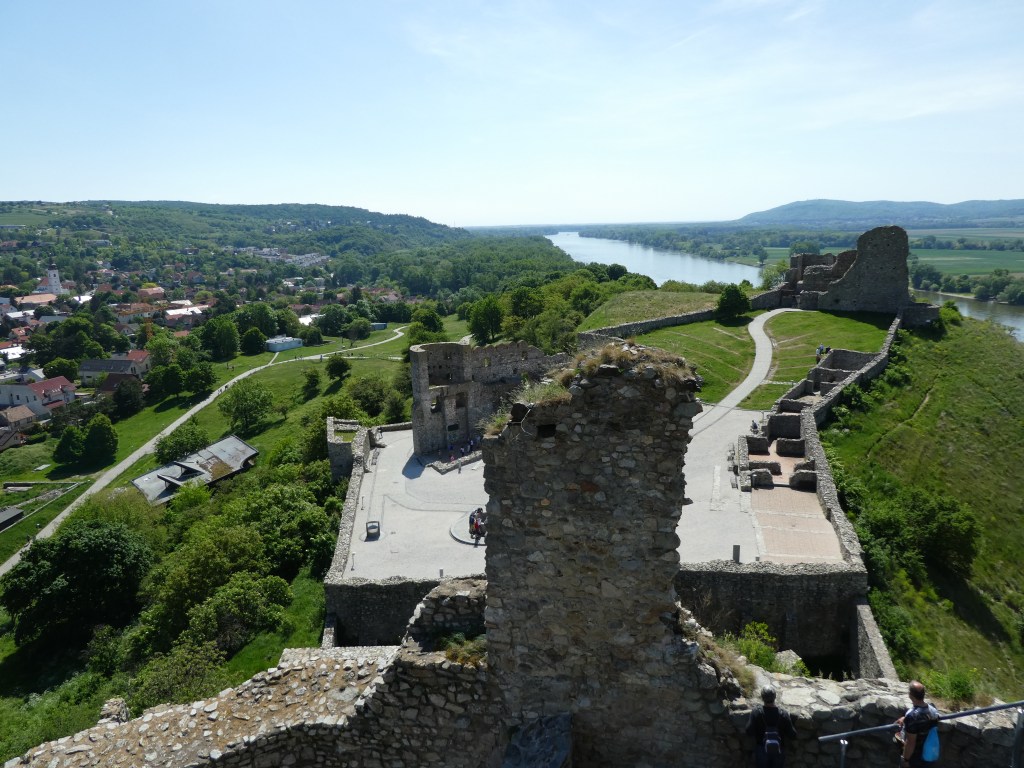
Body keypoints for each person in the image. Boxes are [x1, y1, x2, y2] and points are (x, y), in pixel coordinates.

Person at [746, 686, 797, 767]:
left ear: (762, 698)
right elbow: (792, 735)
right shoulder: (783, 714)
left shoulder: (756, 712)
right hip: (778, 749)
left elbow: (749, 731)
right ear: (775, 697)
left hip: (762, 749)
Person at [895, 681, 939, 766]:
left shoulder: (912, 716)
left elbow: (911, 742)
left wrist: (906, 760)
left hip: (916, 757)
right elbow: (925, 719)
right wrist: (905, 719)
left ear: (911, 695)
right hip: (929, 752)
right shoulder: (932, 708)